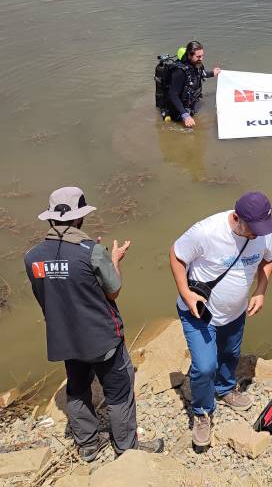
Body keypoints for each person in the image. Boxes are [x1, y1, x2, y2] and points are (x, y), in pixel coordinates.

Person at [24, 186, 163, 461]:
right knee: (119, 390)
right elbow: (113, 291)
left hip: (64, 338)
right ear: (78, 218)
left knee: (77, 388)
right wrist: (112, 261)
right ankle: (126, 447)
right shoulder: (92, 252)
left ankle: (87, 445)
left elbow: (46, 297)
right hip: (102, 337)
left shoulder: (32, 257)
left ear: (52, 218)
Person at [168, 191, 272, 452]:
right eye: (253, 229)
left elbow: (269, 259)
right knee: (205, 366)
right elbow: (176, 255)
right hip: (199, 313)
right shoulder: (205, 231)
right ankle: (202, 413)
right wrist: (186, 293)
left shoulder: (264, 231)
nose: (258, 234)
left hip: (235, 312)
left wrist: (261, 290)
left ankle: (226, 388)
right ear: (237, 218)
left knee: (230, 353)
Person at [165, 41, 221, 128]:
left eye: (202, 56)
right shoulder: (179, 72)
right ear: (189, 55)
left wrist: (212, 73)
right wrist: (185, 115)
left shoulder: (196, 64)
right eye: (198, 56)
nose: (201, 58)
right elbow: (172, 95)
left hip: (189, 106)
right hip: (178, 110)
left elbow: (200, 74)